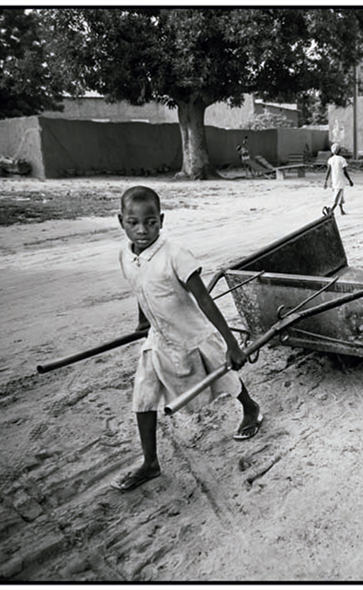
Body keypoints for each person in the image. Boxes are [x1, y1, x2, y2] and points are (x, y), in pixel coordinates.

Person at [111, 186, 263, 492]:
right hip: (159, 338)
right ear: (121, 221)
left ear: (162, 219)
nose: (142, 230)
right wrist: (143, 320)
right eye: (133, 222)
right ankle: (150, 462)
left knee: (226, 377)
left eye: (150, 222)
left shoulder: (175, 255)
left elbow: (204, 300)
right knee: (143, 396)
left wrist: (232, 344)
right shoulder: (126, 256)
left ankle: (251, 408)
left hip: (193, 334)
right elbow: (139, 286)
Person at [323, 143, 353, 215]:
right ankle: (331, 210)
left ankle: (341, 210)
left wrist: (325, 181)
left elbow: (328, 171)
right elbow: (345, 171)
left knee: (340, 196)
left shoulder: (330, 160)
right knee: (338, 196)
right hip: (340, 181)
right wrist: (349, 180)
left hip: (334, 180)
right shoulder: (342, 160)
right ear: (339, 151)